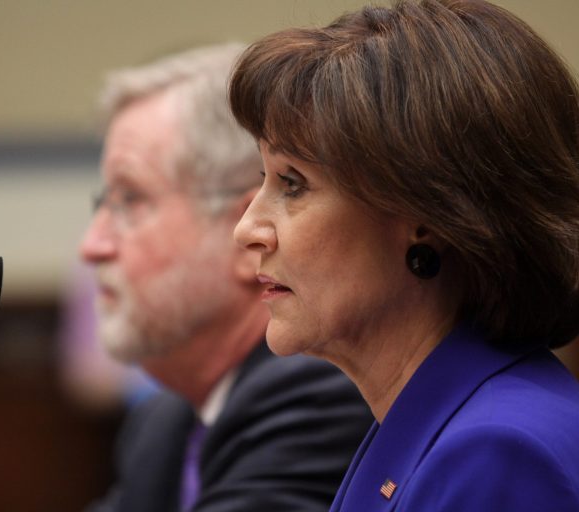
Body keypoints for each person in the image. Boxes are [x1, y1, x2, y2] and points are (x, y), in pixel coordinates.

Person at [228, 1, 579, 510]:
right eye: (264, 180)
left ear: (425, 217)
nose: (247, 229)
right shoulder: (440, 421)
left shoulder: (496, 453)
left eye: (292, 184)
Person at [79, 43, 372, 512]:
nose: (91, 246)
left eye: (129, 199)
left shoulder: (316, 395)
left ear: (243, 235)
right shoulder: (164, 421)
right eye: (102, 205)